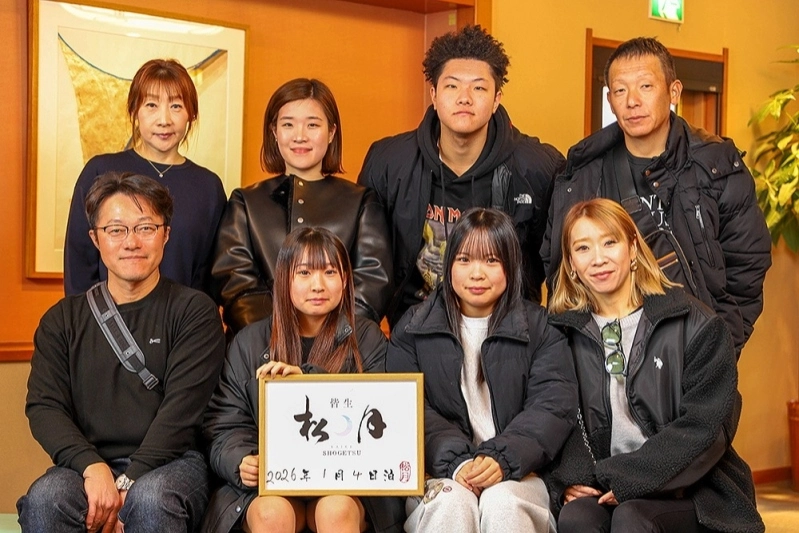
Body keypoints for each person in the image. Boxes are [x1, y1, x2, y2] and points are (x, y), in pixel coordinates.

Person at [18, 172, 226, 532]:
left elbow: (182, 411)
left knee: (151, 500)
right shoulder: (62, 320)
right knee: (46, 499)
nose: (132, 242)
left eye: (145, 228)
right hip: (88, 463)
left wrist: (131, 478)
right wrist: (91, 466)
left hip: (173, 463)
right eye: (116, 230)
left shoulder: (194, 312)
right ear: (95, 239)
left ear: (166, 234)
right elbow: (44, 406)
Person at [541, 37, 771, 357]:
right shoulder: (582, 176)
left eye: (646, 86)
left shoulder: (716, 166)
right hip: (606, 357)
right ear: (610, 100)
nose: (632, 101)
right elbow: (561, 272)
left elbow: (747, 266)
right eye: (620, 91)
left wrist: (719, 351)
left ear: (673, 92)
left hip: (696, 350)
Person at [546, 198, 764, 533]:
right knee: (577, 518)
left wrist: (632, 479)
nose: (598, 258)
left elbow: (707, 428)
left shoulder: (696, 323)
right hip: (604, 483)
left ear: (633, 248)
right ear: (571, 263)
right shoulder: (560, 333)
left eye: (609, 242)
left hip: (692, 490)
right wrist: (570, 479)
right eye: (583, 248)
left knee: (632, 517)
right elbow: (553, 416)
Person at [358, 25, 564, 328]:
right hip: (413, 331)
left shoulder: (537, 167)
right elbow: (365, 264)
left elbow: (561, 263)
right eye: (452, 86)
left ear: (496, 99)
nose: (464, 98)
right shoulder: (389, 162)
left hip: (508, 333)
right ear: (434, 94)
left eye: (479, 88)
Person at [386, 208, 577, 533]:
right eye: (464, 260)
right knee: (451, 502)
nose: (477, 274)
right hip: (439, 471)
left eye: (491, 260)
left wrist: (503, 457)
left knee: (503, 503)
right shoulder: (413, 328)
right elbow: (406, 407)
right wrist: (456, 460)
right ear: (449, 264)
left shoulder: (540, 328)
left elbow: (552, 405)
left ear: (511, 265)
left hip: (521, 471)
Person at [203, 227, 404, 533]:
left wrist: (309, 384)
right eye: (305, 273)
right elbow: (224, 423)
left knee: (335, 510)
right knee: (270, 514)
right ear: (285, 279)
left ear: (345, 279)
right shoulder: (249, 342)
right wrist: (241, 459)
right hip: (274, 483)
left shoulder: (367, 339)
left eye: (329, 272)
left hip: (347, 481)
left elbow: (385, 420)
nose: (317, 285)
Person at [211, 78, 392, 335]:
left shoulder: (362, 202)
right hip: (261, 348)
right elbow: (236, 285)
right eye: (288, 124)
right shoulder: (245, 202)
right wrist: (278, 337)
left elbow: (372, 284)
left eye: (312, 125)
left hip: (341, 349)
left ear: (331, 132)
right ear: (274, 132)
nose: (300, 136)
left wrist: (328, 338)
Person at [65, 58, 227, 296]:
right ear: (134, 110)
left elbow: (209, 277)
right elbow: (79, 263)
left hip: (183, 318)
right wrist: (87, 318)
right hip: (106, 317)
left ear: (191, 114)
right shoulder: (100, 171)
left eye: (176, 106)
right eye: (151, 105)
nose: (164, 120)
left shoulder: (208, 186)